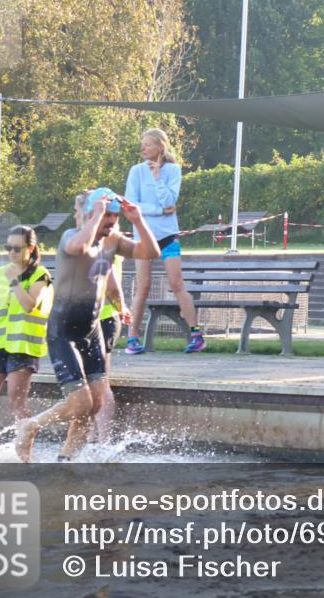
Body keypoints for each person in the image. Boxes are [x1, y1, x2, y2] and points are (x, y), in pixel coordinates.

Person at [14, 188, 160, 462]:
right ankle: (30, 426)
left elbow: (150, 252)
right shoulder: (72, 236)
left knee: (95, 404)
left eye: (115, 218)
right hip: (63, 331)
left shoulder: (113, 240)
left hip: (92, 330)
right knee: (80, 402)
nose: (111, 223)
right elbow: (78, 248)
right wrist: (97, 216)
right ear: (94, 212)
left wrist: (138, 220)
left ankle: (65, 461)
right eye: (108, 217)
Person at [123, 128, 204, 355]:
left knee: (177, 283)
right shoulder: (136, 171)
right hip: (143, 237)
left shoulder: (173, 170)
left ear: (160, 146)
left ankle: (196, 335)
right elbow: (131, 205)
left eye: (147, 144)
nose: (143, 148)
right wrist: (159, 211)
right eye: (143, 144)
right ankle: (133, 339)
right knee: (143, 286)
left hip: (168, 236)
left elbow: (170, 199)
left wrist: (158, 177)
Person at [0, 225, 53, 436]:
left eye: (17, 248)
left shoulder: (41, 275)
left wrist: (15, 280)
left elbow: (30, 305)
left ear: (31, 248)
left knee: (17, 404)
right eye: (8, 248)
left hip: (23, 347)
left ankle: (25, 450)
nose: (11, 253)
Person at [91, 255, 130, 442]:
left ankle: (104, 439)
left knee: (100, 381)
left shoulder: (104, 249)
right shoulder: (95, 246)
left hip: (103, 318)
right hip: (91, 319)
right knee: (89, 381)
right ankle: (91, 435)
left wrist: (122, 309)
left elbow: (113, 287)